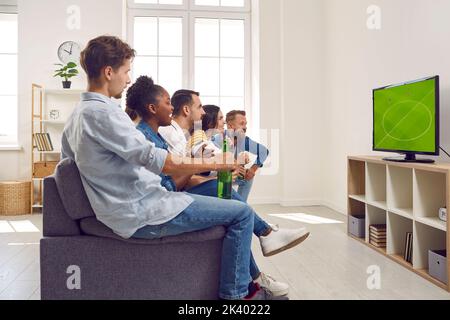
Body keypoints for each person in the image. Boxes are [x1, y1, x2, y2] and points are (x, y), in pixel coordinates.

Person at [125, 76, 310, 297]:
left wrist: (208, 172)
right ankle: (251, 269)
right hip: (161, 205)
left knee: (223, 193)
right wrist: (210, 165)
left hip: (166, 197)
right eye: (167, 103)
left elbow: (176, 175)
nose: (172, 108)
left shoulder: (160, 135)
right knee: (239, 212)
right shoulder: (153, 136)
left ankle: (262, 249)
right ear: (153, 108)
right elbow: (169, 183)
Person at [211, 110, 269, 202]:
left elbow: (263, 151)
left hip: (231, 174)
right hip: (214, 176)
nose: (245, 127)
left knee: (247, 177)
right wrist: (237, 164)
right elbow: (213, 165)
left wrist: (252, 169)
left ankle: (241, 204)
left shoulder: (243, 140)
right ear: (230, 126)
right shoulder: (218, 139)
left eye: (245, 124)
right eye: (242, 124)